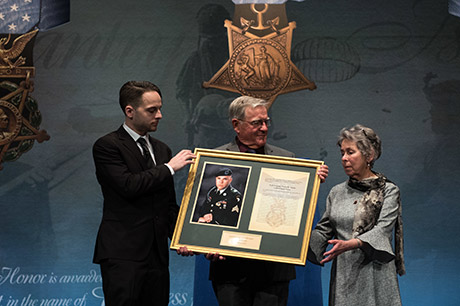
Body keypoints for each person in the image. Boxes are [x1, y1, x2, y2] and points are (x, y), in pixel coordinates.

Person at [207, 95, 329, 306]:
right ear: (236, 125)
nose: (264, 128)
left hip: (273, 271)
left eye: (266, 122)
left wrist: (309, 182)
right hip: (230, 271)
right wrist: (206, 242)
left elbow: (293, 210)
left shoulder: (287, 158)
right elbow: (208, 206)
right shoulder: (214, 159)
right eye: (257, 123)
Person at [92, 81, 195, 306]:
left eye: (159, 108)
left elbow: (167, 204)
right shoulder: (107, 146)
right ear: (130, 111)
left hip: (156, 255)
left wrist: (184, 237)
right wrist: (169, 168)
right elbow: (128, 185)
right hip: (123, 253)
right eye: (152, 110)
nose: (159, 115)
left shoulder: (161, 149)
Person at [308, 124, 405, 306]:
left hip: (375, 274)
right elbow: (322, 232)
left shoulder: (388, 191)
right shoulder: (336, 192)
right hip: (345, 274)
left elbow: (382, 230)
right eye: (342, 153)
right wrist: (293, 238)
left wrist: (352, 243)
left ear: (369, 156)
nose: (344, 158)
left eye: (350, 152)